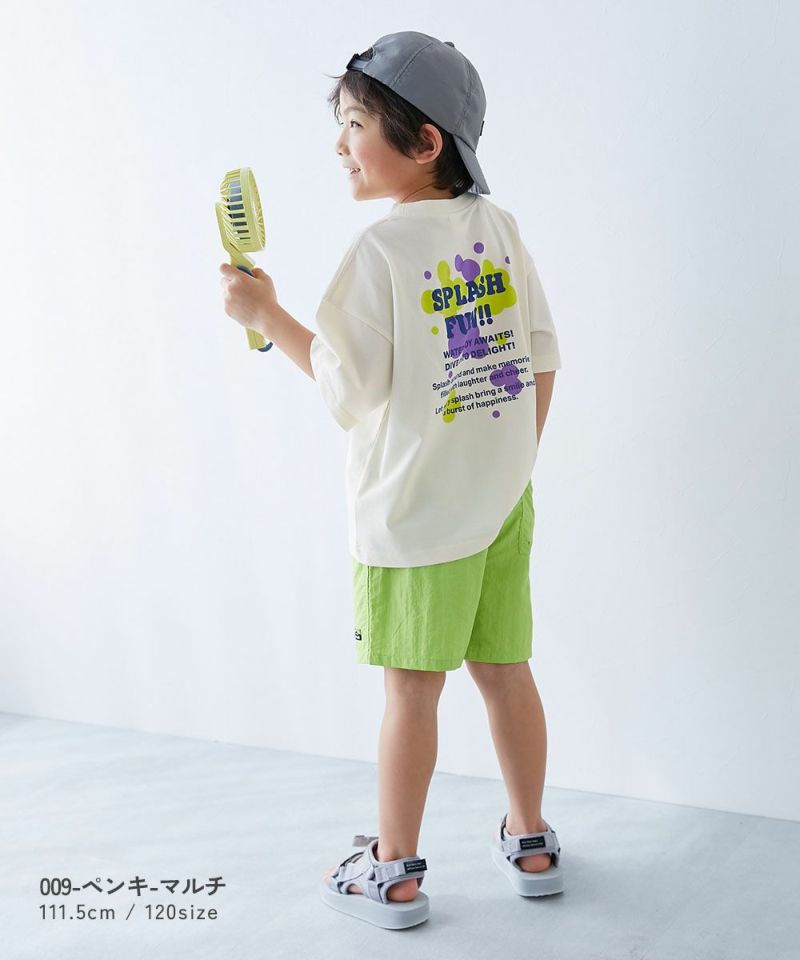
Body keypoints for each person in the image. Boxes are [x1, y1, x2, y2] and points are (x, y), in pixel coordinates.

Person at [219, 31, 564, 930]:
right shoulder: (499, 228)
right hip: (501, 504)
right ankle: (531, 841)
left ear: (425, 142)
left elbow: (346, 391)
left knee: (412, 691)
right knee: (507, 670)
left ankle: (394, 873)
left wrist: (265, 312)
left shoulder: (379, 254)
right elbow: (541, 357)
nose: (339, 145)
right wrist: (510, 464)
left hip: (413, 518)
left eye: (355, 125)